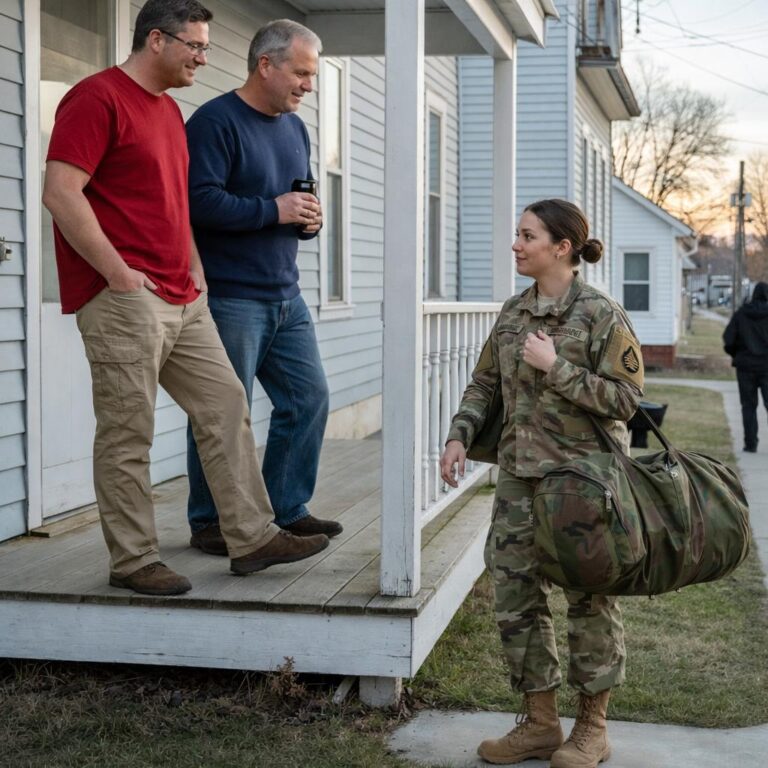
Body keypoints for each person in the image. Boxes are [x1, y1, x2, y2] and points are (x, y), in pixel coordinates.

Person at [41, 0, 329, 597]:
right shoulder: (96, 99)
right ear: (156, 40)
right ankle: (133, 559)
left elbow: (177, 206)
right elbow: (62, 193)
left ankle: (251, 538)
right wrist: (119, 273)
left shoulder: (169, 111)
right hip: (125, 297)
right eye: (195, 46)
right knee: (128, 432)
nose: (204, 57)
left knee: (226, 408)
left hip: (185, 294)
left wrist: (193, 269)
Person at [440, 199, 644, 768]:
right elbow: (484, 385)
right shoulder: (513, 313)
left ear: (562, 247)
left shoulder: (601, 314)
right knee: (515, 597)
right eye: (517, 234)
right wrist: (460, 435)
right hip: (519, 482)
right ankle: (539, 723)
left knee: (588, 597)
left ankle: (592, 727)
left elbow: (627, 399)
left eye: (527, 236)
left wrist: (558, 369)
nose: (516, 244)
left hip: (582, 484)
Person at [183, 19, 342, 557]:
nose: (308, 85)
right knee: (223, 412)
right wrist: (272, 211)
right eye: (300, 73)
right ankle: (210, 521)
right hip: (230, 296)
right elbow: (197, 202)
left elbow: (296, 199)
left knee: (309, 398)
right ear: (265, 64)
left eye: (312, 75)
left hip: (285, 294)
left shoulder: (296, 128)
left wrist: (309, 218)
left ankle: (284, 510)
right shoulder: (215, 123)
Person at [723, 281, 768, 453]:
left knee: (748, 406)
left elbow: (728, 340)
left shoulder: (741, 314)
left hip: (745, 368)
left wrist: (737, 355)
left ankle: (750, 444)